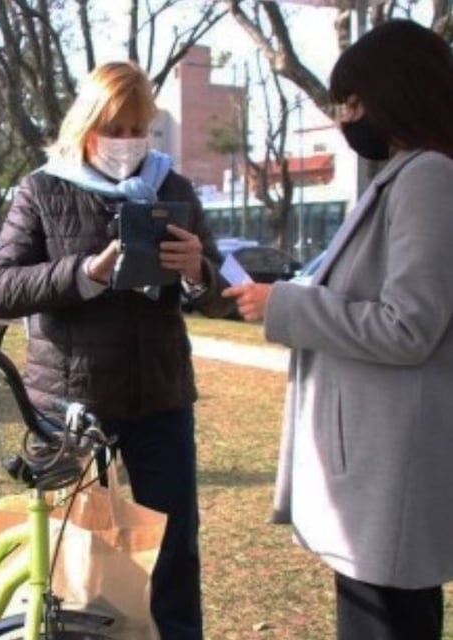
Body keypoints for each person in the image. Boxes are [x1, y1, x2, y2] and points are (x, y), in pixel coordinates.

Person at [0, 61, 232, 640]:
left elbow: (222, 291)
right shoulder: (43, 187)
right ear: (86, 124)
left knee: (173, 551)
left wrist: (198, 272)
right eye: (113, 128)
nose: (125, 143)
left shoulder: (174, 188)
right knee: (64, 556)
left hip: (159, 399)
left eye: (136, 128)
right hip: (69, 402)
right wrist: (84, 273)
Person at [222, 21, 453, 640]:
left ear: (397, 92)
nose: (347, 116)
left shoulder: (428, 177)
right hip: (377, 465)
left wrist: (285, 305)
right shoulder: (407, 175)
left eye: (353, 101)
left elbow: (410, 326)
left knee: (387, 622)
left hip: (390, 469)